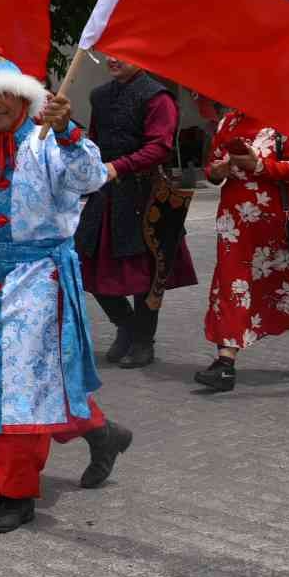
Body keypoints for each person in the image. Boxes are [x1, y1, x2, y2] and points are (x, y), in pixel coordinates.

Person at [0, 54, 132, 535]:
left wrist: (70, 131)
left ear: (25, 97)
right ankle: (104, 434)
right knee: (38, 378)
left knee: (19, 386)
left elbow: (92, 177)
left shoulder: (49, 142)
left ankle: (14, 491)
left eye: (3, 93)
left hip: (42, 277)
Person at [75, 57, 198, 369]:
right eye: (109, 52)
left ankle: (144, 340)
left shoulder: (158, 97)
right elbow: (94, 141)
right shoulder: (99, 95)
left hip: (146, 195)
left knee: (146, 271)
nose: (113, 59)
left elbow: (160, 147)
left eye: (123, 52)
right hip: (105, 192)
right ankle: (127, 325)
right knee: (85, 263)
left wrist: (119, 166)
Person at [193, 110, 289, 392]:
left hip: (277, 224)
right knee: (231, 286)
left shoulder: (285, 122)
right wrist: (217, 172)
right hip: (235, 224)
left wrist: (261, 166)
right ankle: (225, 365)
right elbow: (212, 166)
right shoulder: (228, 121)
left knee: (288, 290)